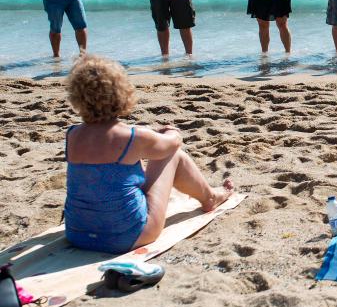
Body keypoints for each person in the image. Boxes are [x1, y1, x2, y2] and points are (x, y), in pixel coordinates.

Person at [63, 55, 233, 253]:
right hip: (129, 235)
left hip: (77, 234)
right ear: (121, 93)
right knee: (172, 155)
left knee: (120, 174)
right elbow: (172, 144)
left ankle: (209, 196)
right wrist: (172, 130)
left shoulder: (73, 135)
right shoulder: (133, 136)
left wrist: (146, 134)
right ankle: (209, 198)